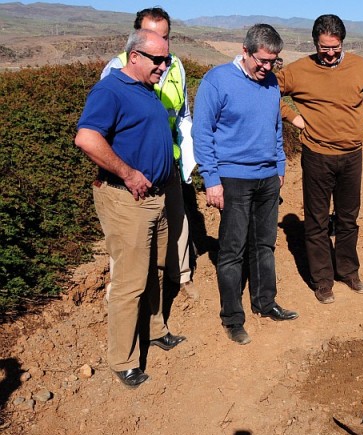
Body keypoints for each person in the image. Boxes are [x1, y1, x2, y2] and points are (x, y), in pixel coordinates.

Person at [75, 29, 185, 388]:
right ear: (134, 56)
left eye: (167, 59)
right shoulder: (111, 90)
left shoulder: (145, 88)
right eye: (157, 59)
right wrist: (127, 172)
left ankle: (154, 330)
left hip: (155, 195)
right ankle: (123, 360)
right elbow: (87, 137)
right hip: (127, 198)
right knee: (129, 282)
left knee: (153, 268)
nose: (164, 65)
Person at [193, 24, 298, 345]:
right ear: (245, 50)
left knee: (264, 244)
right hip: (232, 178)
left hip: (267, 177)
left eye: (274, 62)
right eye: (262, 61)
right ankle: (232, 318)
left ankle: (266, 303)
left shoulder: (270, 85)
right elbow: (202, 133)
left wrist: (279, 165)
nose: (267, 68)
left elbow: (274, 128)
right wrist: (211, 179)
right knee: (232, 250)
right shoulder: (218, 81)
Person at [277, 14, 363, 304]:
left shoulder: (359, 67)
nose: (329, 54)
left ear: (342, 43)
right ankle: (322, 280)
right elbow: (265, 92)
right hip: (317, 155)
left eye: (335, 48)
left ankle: (348, 270)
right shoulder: (299, 70)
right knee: (317, 221)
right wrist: (292, 117)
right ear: (315, 43)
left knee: (348, 218)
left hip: (352, 155)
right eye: (324, 47)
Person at [101, 7, 199, 301]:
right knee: (129, 235)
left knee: (177, 220)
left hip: (169, 159)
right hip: (133, 165)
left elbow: (183, 114)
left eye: (165, 36)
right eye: (152, 35)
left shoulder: (177, 66)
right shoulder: (115, 69)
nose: (159, 42)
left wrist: (188, 158)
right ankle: (124, 290)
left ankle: (180, 276)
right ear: (136, 37)